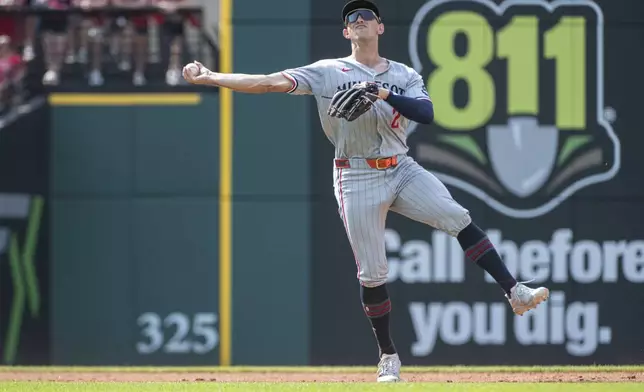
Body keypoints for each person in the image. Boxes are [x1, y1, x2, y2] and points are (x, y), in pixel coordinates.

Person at [182, 0, 550, 383]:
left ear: (380, 28)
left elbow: (425, 113)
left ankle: (514, 291)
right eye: (351, 18)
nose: (359, 20)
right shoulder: (328, 71)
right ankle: (388, 356)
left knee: (458, 217)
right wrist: (211, 75)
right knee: (373, 273)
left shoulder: (403, 74)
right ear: (345, 33)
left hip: (400, 167)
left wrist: (382, 94)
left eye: (366, 16)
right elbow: (267, 82)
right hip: (355, 174)